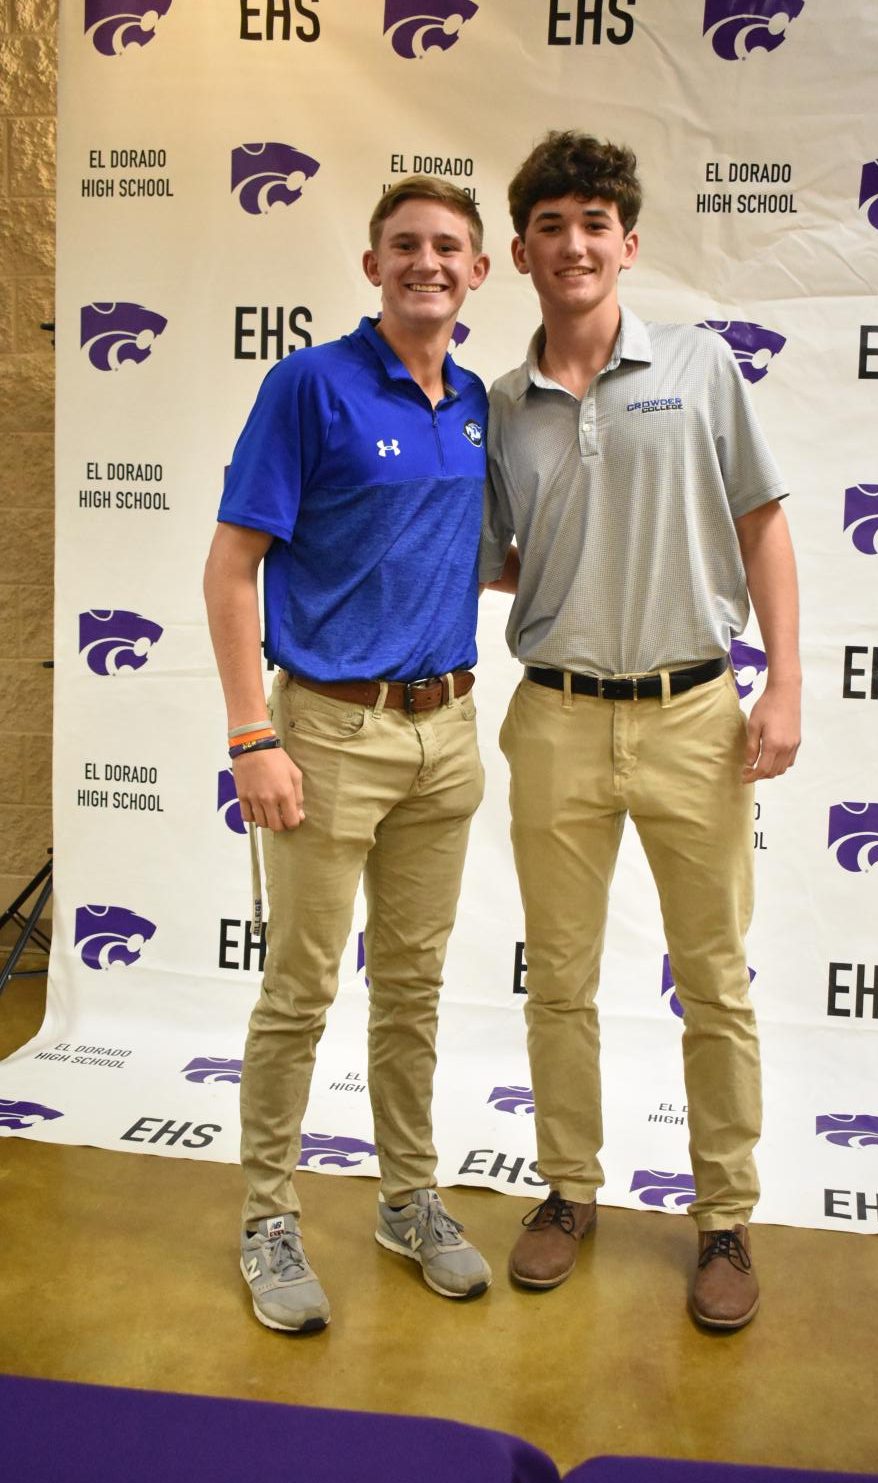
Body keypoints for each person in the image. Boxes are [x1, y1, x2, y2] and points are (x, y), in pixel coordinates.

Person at [480, 132, 800, 1330]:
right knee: (557, 982)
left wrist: (787, 686)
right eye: (552, 224)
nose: (575, 243)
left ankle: (724, 1215)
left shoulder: (705, 367)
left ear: (629, 240)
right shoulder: (499, 406)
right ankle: (567, 1192)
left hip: (694, 716)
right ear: (521, 251)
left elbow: (765, 526)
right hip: (555, 719)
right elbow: (497, 559)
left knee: (713, 979)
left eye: (595, 222)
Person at [204, 175, 492, 1333]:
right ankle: (269, 1216)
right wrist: (251, 734)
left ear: (480, 272)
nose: (428, 262)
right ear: (373, 265)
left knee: (412, 991)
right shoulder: (308, 386)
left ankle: (407, 1198)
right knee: (300, 990)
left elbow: (487, 547)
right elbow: (231, 569)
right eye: (406, 245)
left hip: (450, 733)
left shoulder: (478, 400)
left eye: (449, 248)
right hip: (324, 731)